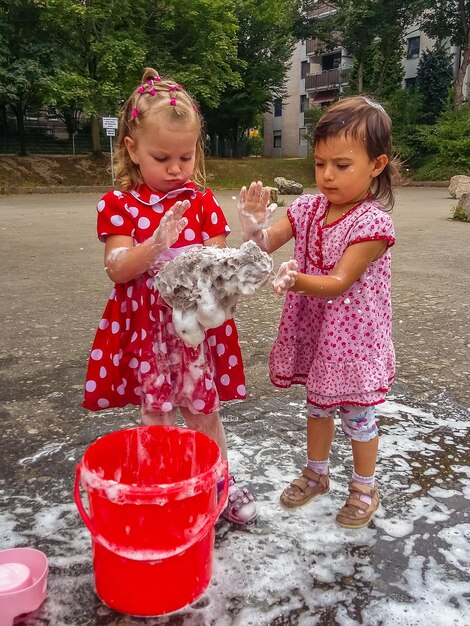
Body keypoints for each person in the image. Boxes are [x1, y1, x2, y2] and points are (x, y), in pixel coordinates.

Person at [83, 67, 256, 525]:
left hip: (194, 331)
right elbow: (116, 268)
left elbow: (217, 258)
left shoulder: (200, 200)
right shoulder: (119, 205)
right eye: (163, 157)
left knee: (204, 412)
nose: (177, 168)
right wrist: (155, 245)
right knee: (156, 414)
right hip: (147, 332)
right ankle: (164, 489)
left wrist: (232, 252)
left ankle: (219, 481)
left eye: (186, 155)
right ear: (132, 148)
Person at [238, 95, 398, 528]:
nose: (327, 175)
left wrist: (295, 280)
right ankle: (317, 473)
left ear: (376, 164)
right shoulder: (307, 208)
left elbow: (339, 282)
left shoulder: (373, 225)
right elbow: (264, 244)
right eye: (320, 163)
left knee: (358, 415)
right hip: (318, 333)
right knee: (316, 407)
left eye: (342, 166)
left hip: (353, 339)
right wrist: (254, 223)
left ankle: (365, 486)